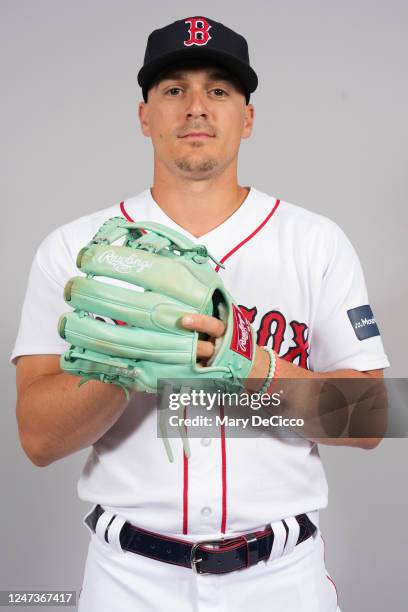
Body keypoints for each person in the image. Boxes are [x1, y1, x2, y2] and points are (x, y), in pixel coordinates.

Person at [11, 15, 389, 612]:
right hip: (127, 582)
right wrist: (126, 359)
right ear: (144, 115)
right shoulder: (78, 249)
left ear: (248, 117)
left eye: (218, 89)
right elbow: (36, 437)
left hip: (281, 581)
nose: (196, 107)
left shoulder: (316, 242)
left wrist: (240, 364)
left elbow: (370, 419)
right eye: (173, 89)